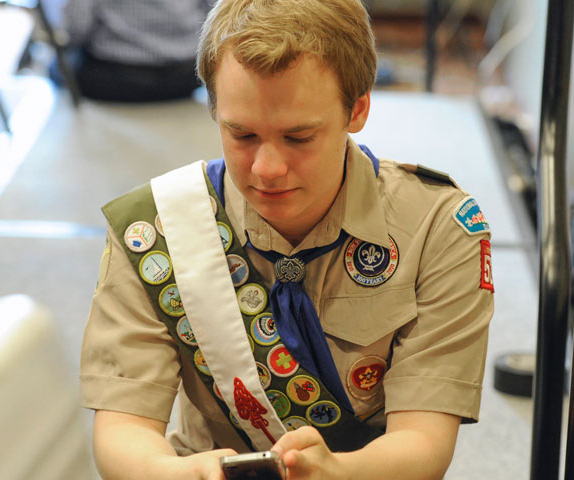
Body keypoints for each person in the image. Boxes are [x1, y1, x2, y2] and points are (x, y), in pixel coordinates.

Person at [80, 0, 495, 478]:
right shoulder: (157, 229)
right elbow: (121, 432)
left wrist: (336, 472)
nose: (267, 169)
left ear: (357, 108)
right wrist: (178, 474)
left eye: (299, 137)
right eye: (241, 134)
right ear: (213, 107)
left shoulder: (437, 228)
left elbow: (423, 442)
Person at [59, 0, 211, 102]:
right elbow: (215, 13)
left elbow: (76, 28)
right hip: (188, 77)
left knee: (60, 63)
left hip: (113, 79)